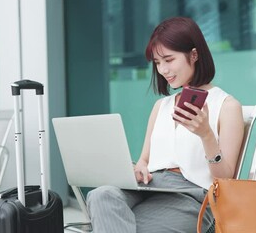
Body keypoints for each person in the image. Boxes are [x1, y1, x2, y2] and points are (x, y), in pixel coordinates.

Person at [86, 16, 244, 233]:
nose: (162, 70)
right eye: (158, 63)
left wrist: (206, 135)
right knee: (100, 195)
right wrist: (139, 168)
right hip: (149, 186)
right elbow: (144, 160)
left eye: (169, 60)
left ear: (194, 54)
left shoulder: (227, 106)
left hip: (191, 195)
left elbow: (224, 178)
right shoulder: (161, 106)